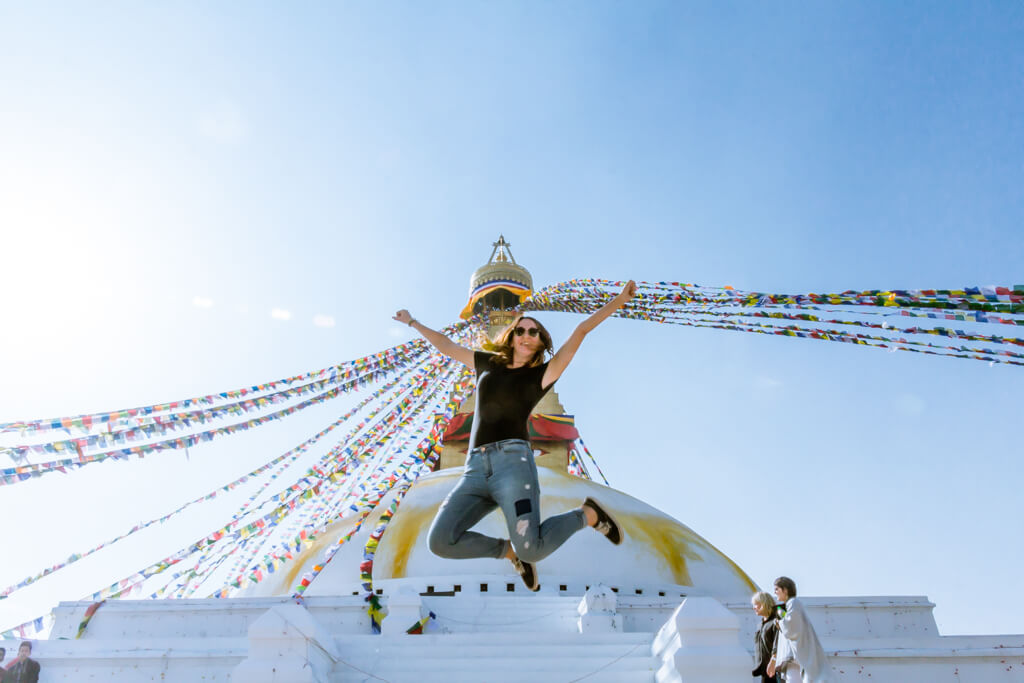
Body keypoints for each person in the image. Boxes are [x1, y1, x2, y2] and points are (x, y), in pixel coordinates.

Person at [393, 281, 636, 591]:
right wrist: (413, 322)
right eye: (520, 330)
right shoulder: (487, 364)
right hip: (475, 469)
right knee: (440, 541)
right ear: (511, 336)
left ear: (540, 341)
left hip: (513, 466)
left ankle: (587, 515)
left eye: (533, 332)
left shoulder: (541, 376)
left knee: (532, 548)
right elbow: (447, 347)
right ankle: (507, 551)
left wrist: (618, 301)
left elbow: (580, 332)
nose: (525, 335)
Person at [767, 577, 834, 682]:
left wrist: (779, 622)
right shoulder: (790, 605)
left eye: (777, 589)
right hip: (794, 658)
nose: (775, 592)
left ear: (785, 590)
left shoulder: (794, 603)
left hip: (795, 658)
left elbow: (791, 625)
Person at [750, 590, 779, 682]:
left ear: (764, 604)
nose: (753, 608)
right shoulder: (760, 625)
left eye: (756, 604)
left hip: (775, 670)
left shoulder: (776, 622)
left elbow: (778, 643)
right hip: (765, 671)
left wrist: (773, 660)